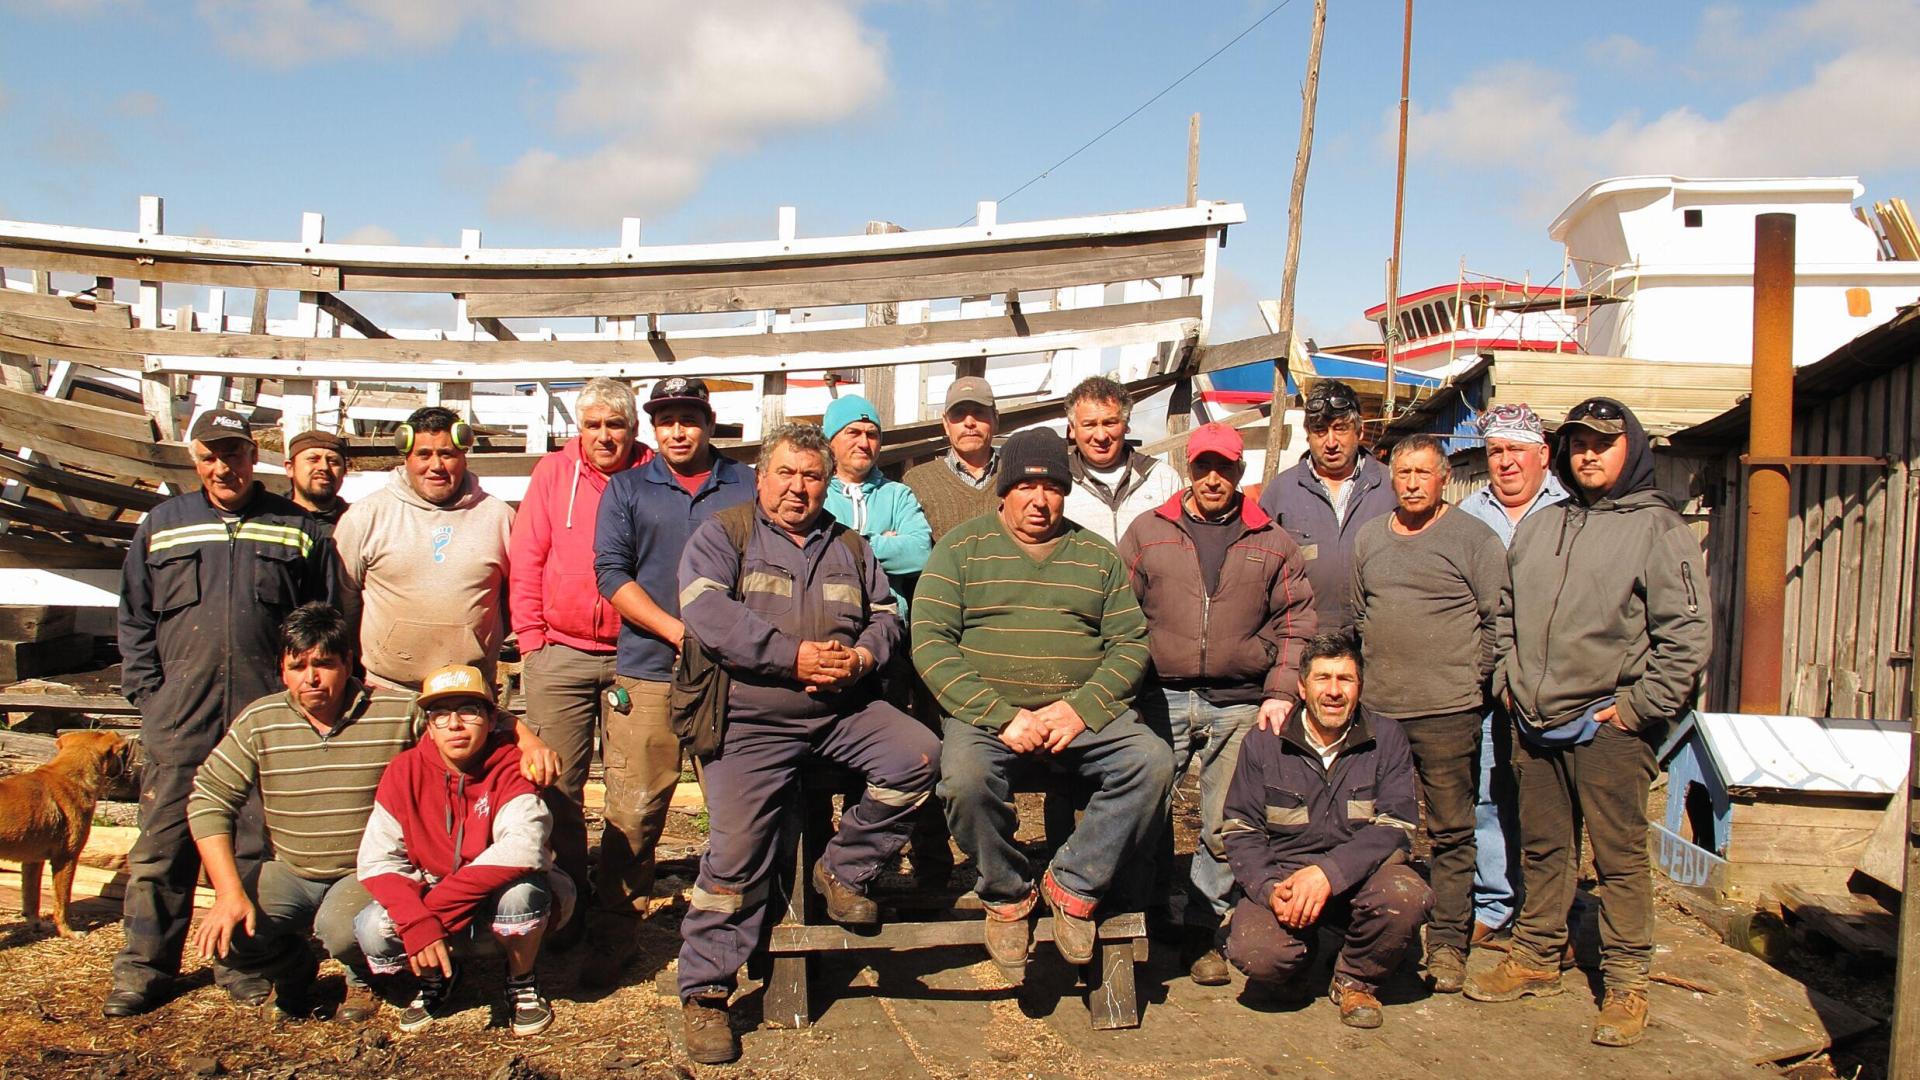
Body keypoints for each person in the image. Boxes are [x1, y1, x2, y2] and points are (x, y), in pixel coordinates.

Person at [674, 424, 939, 1066]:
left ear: (828, 483)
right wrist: (791, 658)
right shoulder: (724, 534)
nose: (798, 488)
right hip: (751, 720)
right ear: (761, 477)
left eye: (811, 476)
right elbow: (706, 614)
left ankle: (842, 868)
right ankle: (707, 991)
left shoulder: (850, 544)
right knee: (736, 855)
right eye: (786, 474)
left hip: (843, 709)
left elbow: (887, 615)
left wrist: (861, 659)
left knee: (921, 755)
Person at [1466, 398, 1711, 1049]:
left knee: (1621, 859)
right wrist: (1507, 681)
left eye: (1602, 443)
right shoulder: (1546, 526)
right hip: (1534, 720)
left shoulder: (1657, 529)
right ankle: (1539, 956)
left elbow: (1685, 635)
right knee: (1544, 848)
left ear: (1629, 447)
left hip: (1608, 726)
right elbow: (1508, 612)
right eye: (1579, 443)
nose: (1588, 454)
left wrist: (1638, 708)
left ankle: (1627, 984)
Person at [913, 427, 1171, 982]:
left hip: (1077, 716)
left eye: (1053, 486)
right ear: (1003, 491)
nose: (1039, 499)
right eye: (1027, 486)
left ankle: (1074, 882)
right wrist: (1002, 715)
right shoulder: (959, 550)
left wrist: (1079, 710)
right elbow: (930, 641)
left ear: (1066, 491)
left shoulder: (1096, 557)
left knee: (1151, 762)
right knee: (962, 779)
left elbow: (1131, 643)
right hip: (989, 716)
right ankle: (1006, 893)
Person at [106, 408, 334, 1019]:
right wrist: (149, 696)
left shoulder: (295, 528)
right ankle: (145, 969)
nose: (222, 466)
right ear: (195, 460)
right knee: (163, 848)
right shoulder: (163, 524)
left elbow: (326, 622)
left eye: (233, 454)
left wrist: (302, 704)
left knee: (256, 848)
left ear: (253, 458)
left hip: (265, 717)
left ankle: (244, 961)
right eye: (210, 455)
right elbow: (133, 619)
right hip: (180, 715)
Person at [1118, 421, 1317, 986]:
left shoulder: (1272, 541)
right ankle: (1151, 923)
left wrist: (1280, 691)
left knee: (1226, 823)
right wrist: (1123, 688)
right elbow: (1117, 615)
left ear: (1240, 472)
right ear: (1188, 468)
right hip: (1159, 696)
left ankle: (1205, 929)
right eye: (1202, 466)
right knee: (1145, 815)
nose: (1212, 478)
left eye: (1224, 467)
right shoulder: (1147, 532)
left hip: (1240, 701)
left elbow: (1296, 621)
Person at [589, 375, 755, 987]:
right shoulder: (629, 487)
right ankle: (613, 940)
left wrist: (730, 634)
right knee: (633, 815)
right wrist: (678, 631)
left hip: (734, 676)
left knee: (734, 816)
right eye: (665, 420)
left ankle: (737, 943)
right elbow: (611, 574)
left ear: (710, 423)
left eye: (689, 418)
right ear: (652, 428)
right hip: (650, 672)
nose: (677, 430)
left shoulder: (744, 483)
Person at [187, 603, 417, 1022]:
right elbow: (209, 798)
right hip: (292, 868)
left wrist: (526, 741)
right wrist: (228, 894)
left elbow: (471, 720)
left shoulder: (397, 713)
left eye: (324, 664)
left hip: (367, 869)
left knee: (340, 929)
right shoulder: (261, 720)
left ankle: (360, 978)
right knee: (235, 932)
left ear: (349, 663)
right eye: (298, 666)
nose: (310, 678)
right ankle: (295, 972)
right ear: (282, 670)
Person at [1349, 434, 1505, 994]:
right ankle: (1367, 936)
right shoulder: (1370, 537)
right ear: (1391, 479)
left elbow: (1497, 619)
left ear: (1444, 479)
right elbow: (1361, 614)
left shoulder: (1473, 538)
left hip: (1447, 711)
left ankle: (1446, 944)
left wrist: (1472, 679)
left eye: (1423, 473)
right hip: (1380, 712)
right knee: (1367, 824)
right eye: (1403, 473)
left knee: (1451, 829)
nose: (1412, 483)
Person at [1219, 632, 1430, 1030]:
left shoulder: (1386, 738)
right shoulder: (1265, 742)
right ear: (1302, 686)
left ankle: (1357, 979)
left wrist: (1328, 875)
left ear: (1359, 686)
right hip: (1287, 880)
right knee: (1258, 953)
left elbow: (1397, 825)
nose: (1334, 691)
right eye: (1323, 679)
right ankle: (1297, 965)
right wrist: (1268, 890)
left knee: (1407, 896)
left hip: (1362, 879)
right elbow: (1240, 827)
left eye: (1345, 680)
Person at [508, 378, 653, 952]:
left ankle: (620, 905)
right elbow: (527, 556)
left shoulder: (650, 474)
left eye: (614, 425)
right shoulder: (552, 475)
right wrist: (530, 639)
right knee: (557, 785)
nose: (603, 436)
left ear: (632, 429)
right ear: (578, 429)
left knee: (634, 784)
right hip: (560, 650)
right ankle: (564, 899)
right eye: (592, 425)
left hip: (633, 650)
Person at [354, 664, 574, 1037]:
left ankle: (521, 978)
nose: (455, 724)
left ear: (491, 719)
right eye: (441, 714)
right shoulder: (403, 771)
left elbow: (522, 848)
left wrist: (430, 917)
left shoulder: (512, 766)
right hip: (432, 886)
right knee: (371, 927)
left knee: (524, 897)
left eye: (468, 711)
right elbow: (378, 859)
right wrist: (416, 920)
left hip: (497, 894)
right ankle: (439, 976)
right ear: (428, 725)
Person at [1455, 404, 1568, 945]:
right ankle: (1495, 902)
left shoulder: (1573, 510)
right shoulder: (1468, 516)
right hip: (1485, 682)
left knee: (1553, 802)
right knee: (1488, 790)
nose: (1506, 462)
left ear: (1542, 455)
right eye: (1496, 451)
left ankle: (1550, 912)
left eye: (1517, 450)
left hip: (1556, 683)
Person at [333, 406, 515, 690]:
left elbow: (513, 599)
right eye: (424, 454)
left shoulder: (499, 517)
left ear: (463, 456)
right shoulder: (366, 516)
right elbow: (344, 601)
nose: (436, 466)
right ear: (405, 457)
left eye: (446, 454)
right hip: (386, 688)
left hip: (468, 690)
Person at [1258, 380, 1397, 633]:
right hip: (1306, 643)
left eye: (1340, 429)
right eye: (1320, 430)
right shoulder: (1280, 493)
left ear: (1360, 431)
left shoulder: (1392, 488)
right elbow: (1257, 577)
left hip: (1377, 643)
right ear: (1308, 434)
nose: (1330, 442)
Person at [821, 394, 933, 598]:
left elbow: (920, 554)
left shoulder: (897, 495)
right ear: (830, 441)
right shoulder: (818, 492)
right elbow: (811, 551)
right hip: (829, 616)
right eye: (853, 432)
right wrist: (885, 544)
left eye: (872, 435)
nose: (864, 443)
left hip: (886, 618)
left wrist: (854, 543)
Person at [1061, 375, 1181, 546]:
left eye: (1110, 423)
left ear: (1126, 424)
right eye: (1089, 425)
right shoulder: (1056, 482)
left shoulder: (1163, 478)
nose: (1101, 436)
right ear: (1072, 429)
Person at [902, 375, 1001, 539]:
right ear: (946, 424)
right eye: (959, 414)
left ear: (996, 419)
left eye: (979, 413)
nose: (969, 422)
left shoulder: (1016, 477)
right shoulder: (917, 482)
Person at [286, 429, 351, 531]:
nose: (324, 467)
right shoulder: (268, 517)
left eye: (333, 462)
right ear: (290, 468)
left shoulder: (357, 523)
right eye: (313, 459)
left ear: (345, 471)